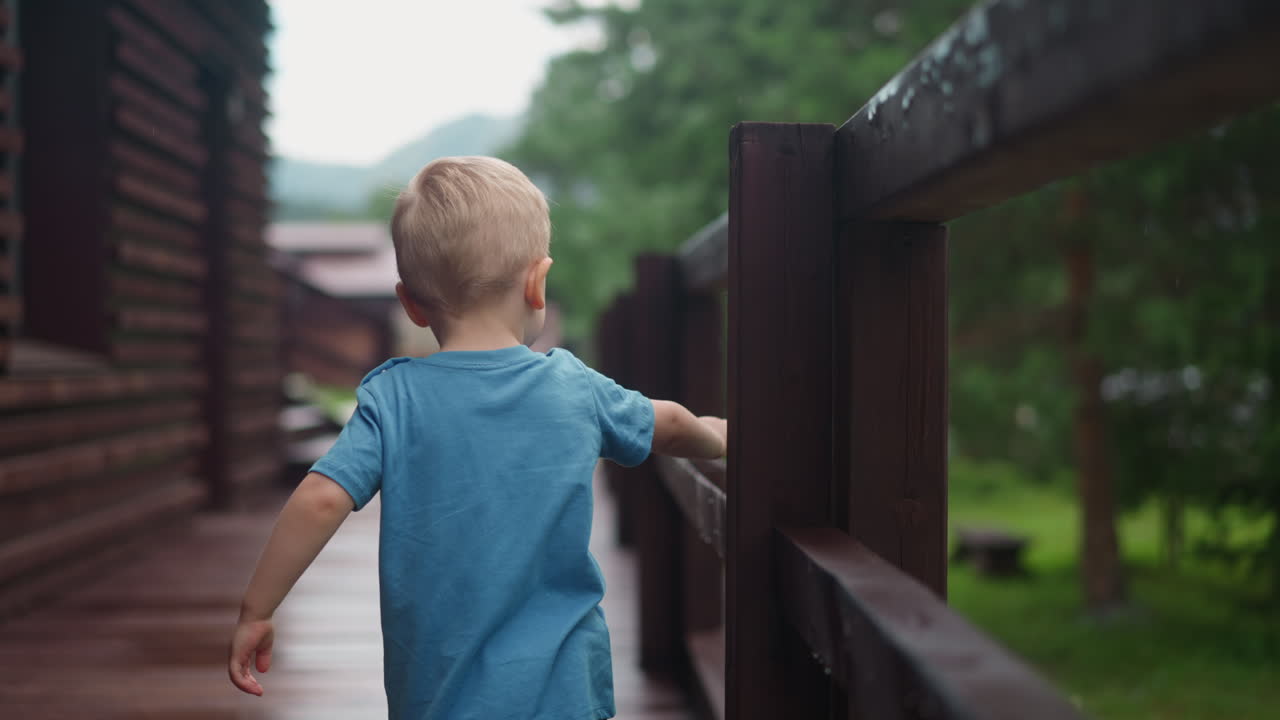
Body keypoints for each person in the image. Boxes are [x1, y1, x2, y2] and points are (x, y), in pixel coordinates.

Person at [227, 156, 727, 720]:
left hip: (439, 695)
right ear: (537, 283)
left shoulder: (394, 399)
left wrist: (257, 610)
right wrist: (721, 437)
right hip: (561, 692)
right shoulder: (574, 386)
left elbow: (320, 498)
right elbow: (670, 424)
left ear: (411, 304)